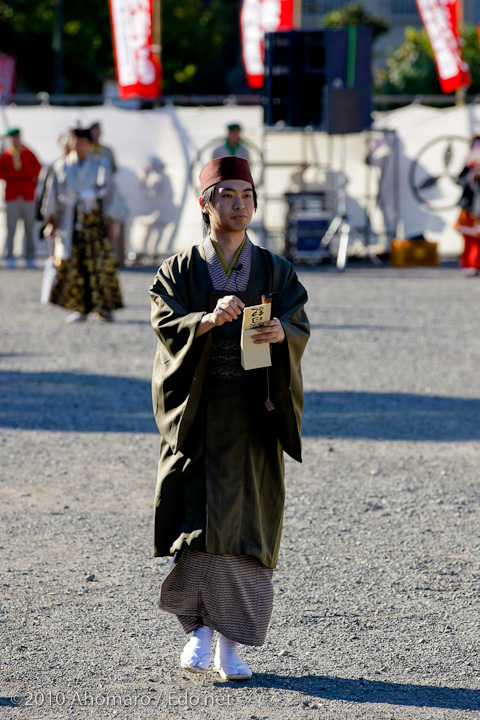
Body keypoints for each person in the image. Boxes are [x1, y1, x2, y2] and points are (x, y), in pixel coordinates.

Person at [149, 156, 309, 680]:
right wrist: (204, 320)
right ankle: (198, 631)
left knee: (247, 529)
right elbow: (165, 321)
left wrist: (283, 332)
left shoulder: (274, 269)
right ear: (205, 204)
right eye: (227, 194)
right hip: (199, 412)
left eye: (246, 194)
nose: (239, 204)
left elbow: (298, 318)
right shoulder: (180, 268)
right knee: (198, 527)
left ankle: (230, 644)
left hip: (254, 414)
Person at [41, 127, 124, 323]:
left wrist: (112, 223)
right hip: (69, 222)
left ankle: (104, 307)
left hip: (94, 222)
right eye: (75, 142)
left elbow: (111, 196)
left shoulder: (100, 165)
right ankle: (80, 307)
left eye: (82, 143)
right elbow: (51, 195)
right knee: (74, 266)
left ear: (89, 144)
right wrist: (51, 222)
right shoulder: (61, 166)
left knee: (100, 264)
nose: (78, 146)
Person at [0, 127, 42, 268]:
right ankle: (9, 256)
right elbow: (2, 172)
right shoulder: (6, 155)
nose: (14, 140)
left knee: (29, 228)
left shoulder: (28, 153)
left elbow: (37, 168)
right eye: (11, 138)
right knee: (11, 228)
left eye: (16, 137)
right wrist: (14, 175)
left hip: (27, 196)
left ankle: (29, 256)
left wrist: (24, 173)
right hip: (12, 196)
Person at [455, 135, 480, 276]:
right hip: (469, 207)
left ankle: (476, 265)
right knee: (469, 238)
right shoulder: (468, 165)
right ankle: (468, 264)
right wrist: (472, 174)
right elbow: (460, 182)